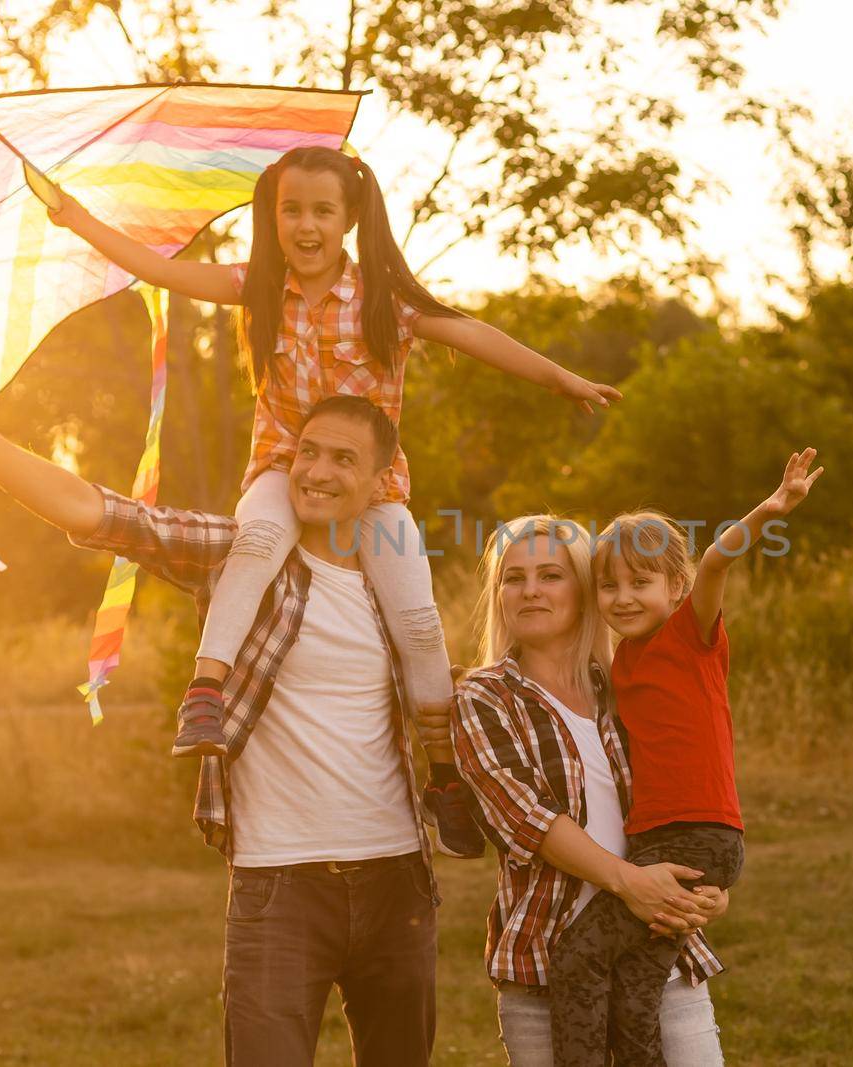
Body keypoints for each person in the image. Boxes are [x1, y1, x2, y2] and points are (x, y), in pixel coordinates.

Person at [47, 144, 621, 859]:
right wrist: (79, 220)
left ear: (351, 217)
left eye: (322, 210)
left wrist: (560, 377)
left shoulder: (384, 299)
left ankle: (442, 774)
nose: (305, 224)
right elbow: (163, 269)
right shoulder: (257, 287)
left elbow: (472, 334)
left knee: (417, 621)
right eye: (291, 209)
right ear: (274, 215)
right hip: (283, 469)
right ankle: (206, 693)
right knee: (253, 546)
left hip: (374, 488)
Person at [0, 343, 445, 1066]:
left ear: (380, 484)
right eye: (307, 452)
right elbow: (98, 511)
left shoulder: (394, 591)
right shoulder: (244, 556)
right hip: (280, 885)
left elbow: (443, 692)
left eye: (344, 460)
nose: (316, 471)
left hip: (395, 876)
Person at [548, 450, 823, 1066]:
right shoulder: (622, 661)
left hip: (694, 835)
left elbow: (719, 557)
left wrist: (771, 509)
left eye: (640, 583)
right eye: (609, 585)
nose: (622, 598)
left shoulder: (690, 636)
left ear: (676, 588)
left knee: (580, 958)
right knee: (637, 989)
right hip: (662, 839)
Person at [451, 516, 731, 1066]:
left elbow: (684, 795)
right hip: (546, 966)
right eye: (513, 578)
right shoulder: (484, 698)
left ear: (585, 589)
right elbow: (528, 820)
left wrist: (705, 886)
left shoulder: (626, 685)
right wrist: (632, 884)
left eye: (550, 575)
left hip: (660, 948)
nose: (529, 590)